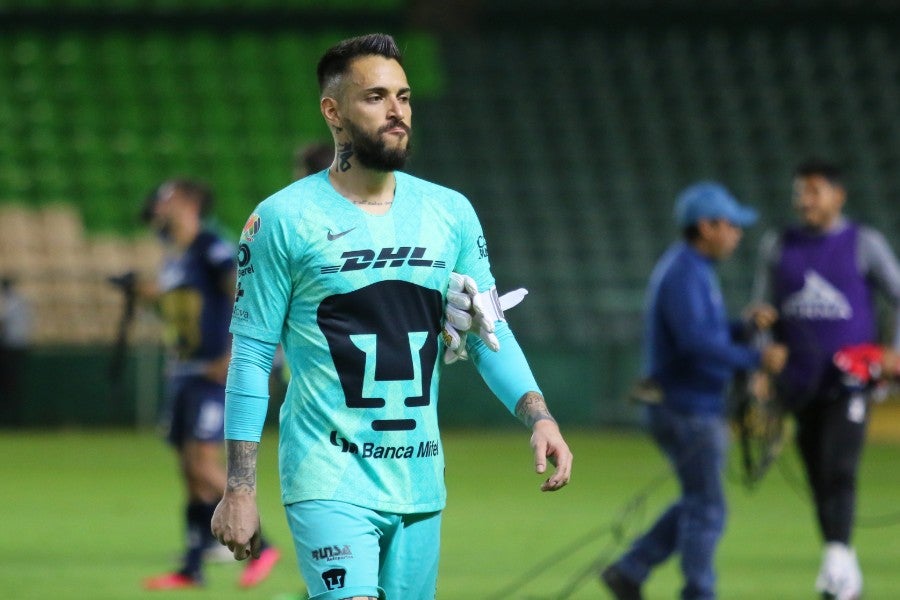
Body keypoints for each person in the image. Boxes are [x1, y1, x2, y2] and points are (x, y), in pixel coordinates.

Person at [210, 33, 573, 600]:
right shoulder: (281, 219)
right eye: (376, 97)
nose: (397, 111)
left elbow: (486, 332)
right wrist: (239, 488)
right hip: (326, 477)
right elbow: (253, 355)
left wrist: (541, 418)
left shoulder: (450, 212)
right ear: (333, 111)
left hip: (419, 480)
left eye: (404, 96)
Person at [601, 182, 787, 600]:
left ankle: (631, 569)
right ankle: (697, 592)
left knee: (698, 500)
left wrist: (744, 329)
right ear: (706, 226)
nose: (738, 233)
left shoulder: (692, 268)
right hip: (687, 408)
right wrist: (757, 360)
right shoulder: (686, 272)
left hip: (688, 405)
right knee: (708, 508)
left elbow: (707, 334)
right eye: (732, 224)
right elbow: (697, 344)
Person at [751, 159, 900, 600]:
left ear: (838, 195)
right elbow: (761, 309)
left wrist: (895, 353)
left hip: (850, 379)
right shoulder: (779, 244)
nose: (805, 200)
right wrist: (762, 360)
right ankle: (844, 568)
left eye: (814, 191)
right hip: (798, 381)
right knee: (817, 471)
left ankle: (835, 565)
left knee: (839, 467)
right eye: (800, 191)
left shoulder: (863, 243)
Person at [137, 179, 280, 590]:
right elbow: (182, 311)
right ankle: (193, 564)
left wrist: (237, 350)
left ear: (187, 202)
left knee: (203, 462)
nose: (158, 206)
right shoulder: (175, 255)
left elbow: (245, 292)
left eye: (165, 198)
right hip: (185, 371)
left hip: (213, 372)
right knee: (188, 468)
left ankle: (262, 543)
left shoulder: (211, 247)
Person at [0, 276, 32, 426]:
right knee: (15, 384)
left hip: (11, 346)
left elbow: (4, 322)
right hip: (21, 345)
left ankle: (12, 419)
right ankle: (15, 418)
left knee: (10, 384)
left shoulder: (11, 302)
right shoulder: (22, 301)